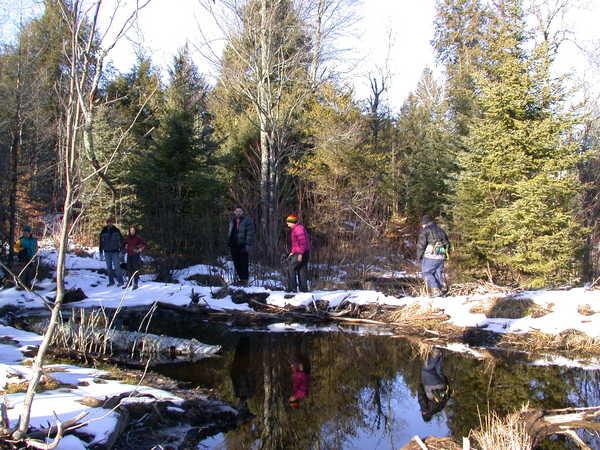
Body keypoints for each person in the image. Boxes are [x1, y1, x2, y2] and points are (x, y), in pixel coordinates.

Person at [416, 215, 450, 297]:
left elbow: (421, 245)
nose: (422, 226)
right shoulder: (441, 230)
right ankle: (441, 290)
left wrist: (419, 256)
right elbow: (447, 244)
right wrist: (446, 255)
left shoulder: (425, 230)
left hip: (430, 255)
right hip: (441, 255)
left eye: (422, 224)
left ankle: (435, 289)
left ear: (425, 223)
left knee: (426, 272)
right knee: (437, 273)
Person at [417, 347, 451, 422]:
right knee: (426, 370)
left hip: (443, 385)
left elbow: (448, 396)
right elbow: (421, 397)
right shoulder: (425, 410)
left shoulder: (439, 408)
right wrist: (420, 386)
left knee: (438, 369)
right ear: (424, 414)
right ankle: (436, 352)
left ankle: (441, 351)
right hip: (432, 387)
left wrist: (446, 382)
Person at [228, 207, 255, 285]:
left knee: (244, 263)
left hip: (243, 245)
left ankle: (245, 280)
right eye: (236, 211)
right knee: (236, 263)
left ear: (242, 212)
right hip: (233, 245)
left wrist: (247, 244)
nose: (238, 212)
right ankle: (241, 279)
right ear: (234, 212)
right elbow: (230, 232)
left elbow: (250, 233)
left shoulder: (247, 220)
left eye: (240, 211)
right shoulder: (232, 220)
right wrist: (229, 241)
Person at [285, 214, 310, 292]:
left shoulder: (298, 229)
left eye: (288, 222)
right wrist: (292, 252)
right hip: (303, 252)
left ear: (293, 222)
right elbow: (296, 243)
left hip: (301, 253)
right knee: (301, 270)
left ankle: (292, 289)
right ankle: (304, 290)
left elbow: (302, 242)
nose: (287, 223)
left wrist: (300, 254)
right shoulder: (297, 229)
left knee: (291, 268)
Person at [99, 218, 124, 287]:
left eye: (111, 222)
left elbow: (121, 241)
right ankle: (111, 282)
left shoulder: (116, 230)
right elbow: (101, 242)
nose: (110, 223)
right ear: (107, 223)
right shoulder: (103, 231)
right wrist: (100, 252)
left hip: (115, 252)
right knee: (109, 268)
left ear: (112, 223)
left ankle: (121, 281)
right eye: (108, 222)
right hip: (106, 252)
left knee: (117, 267)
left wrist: (122, 251)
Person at [123, 226, 146, 290]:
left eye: (133, 230)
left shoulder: (138, 238)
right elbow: (124, 244)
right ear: (129, 231)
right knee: (129, 269)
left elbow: (144, 244)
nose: (132, 231)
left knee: (135, 269)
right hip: (129, 255)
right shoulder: (127, 238)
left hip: (135, 255)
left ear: (135, 231)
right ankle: (129, 283)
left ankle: (135, 283)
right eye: (131, 230)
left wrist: (139, 249)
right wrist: (125, 246)